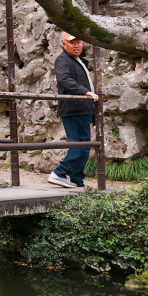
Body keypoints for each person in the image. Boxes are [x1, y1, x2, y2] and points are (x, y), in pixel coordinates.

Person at [48, 32, 99, 188]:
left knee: (84, 146)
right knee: (80, 145)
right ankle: (59, 173)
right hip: (74, 109)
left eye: (79, 42)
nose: (76, 45)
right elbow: (63, 80)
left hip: (82, 109)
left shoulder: (78, 60)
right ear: (64, 44)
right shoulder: (63, 59)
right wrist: (85, 92)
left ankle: (77, 180)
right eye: (72, 42)